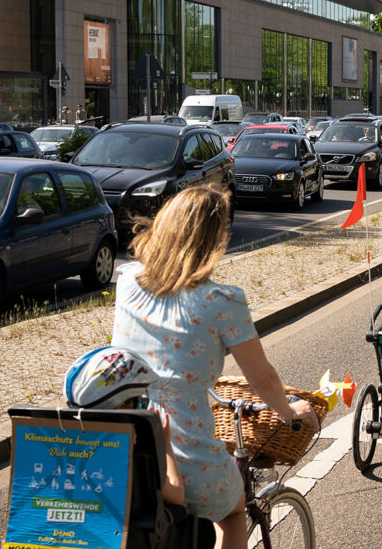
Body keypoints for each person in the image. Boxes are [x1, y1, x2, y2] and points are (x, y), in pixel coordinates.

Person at [111, 187, 319, 549]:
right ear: (214, 239)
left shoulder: (128, 281)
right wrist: (289, 411)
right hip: (185, 447)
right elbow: (263, 378)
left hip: (127, 439)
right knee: (234, 509)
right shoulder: (223, 301)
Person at [65, 346, 186, 507]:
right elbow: (177, 494)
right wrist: (165, 446)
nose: (144, 406)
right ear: (122, 408)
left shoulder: (59, 449)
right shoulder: (130, 456)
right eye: (142, 401)